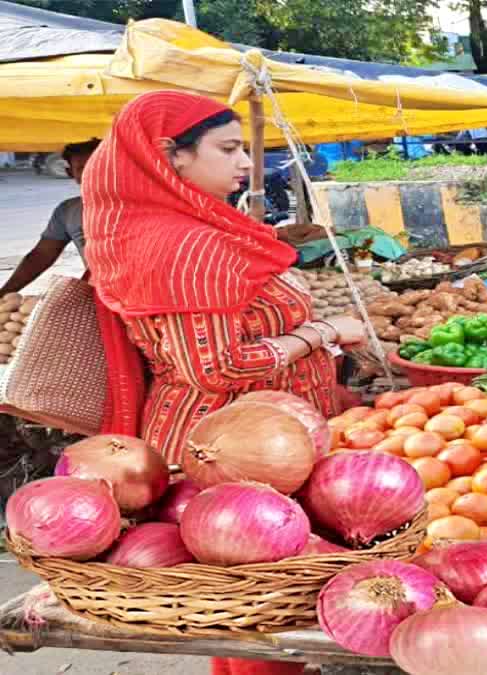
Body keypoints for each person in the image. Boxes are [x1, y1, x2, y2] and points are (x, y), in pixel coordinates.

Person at [82, 91, 366, 675]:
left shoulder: (179, 225)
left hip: (240, 436)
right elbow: (215, 368)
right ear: (171, 154)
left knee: (242, 605)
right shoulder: (187, 244)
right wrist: (320, 334)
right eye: (227, 148)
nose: (245, 163)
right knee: (256, 604)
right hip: (231, 449)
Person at [0, 140, 100, 295]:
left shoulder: (142, 204)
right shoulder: (67, 211)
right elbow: (41, 256)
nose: (92, 173)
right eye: (81, 168)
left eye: (98, 165)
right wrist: (4, 293)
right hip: (103, 296)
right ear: (70, 173)